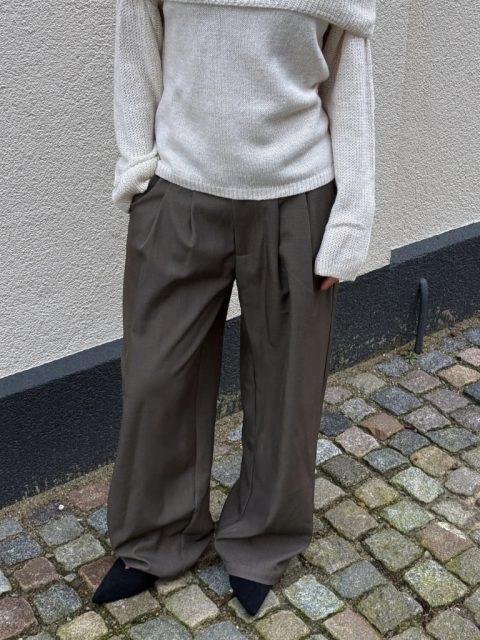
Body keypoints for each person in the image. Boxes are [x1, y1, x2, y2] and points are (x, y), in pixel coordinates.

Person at [92, 0, 376, 616]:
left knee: (287, 389)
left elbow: (349, 74)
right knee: (157, 379)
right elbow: (137, 48)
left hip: (298, 196)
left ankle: (261, 540)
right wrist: (138, 168)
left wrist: (351, 219)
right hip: (179, 191)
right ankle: (157, 537)